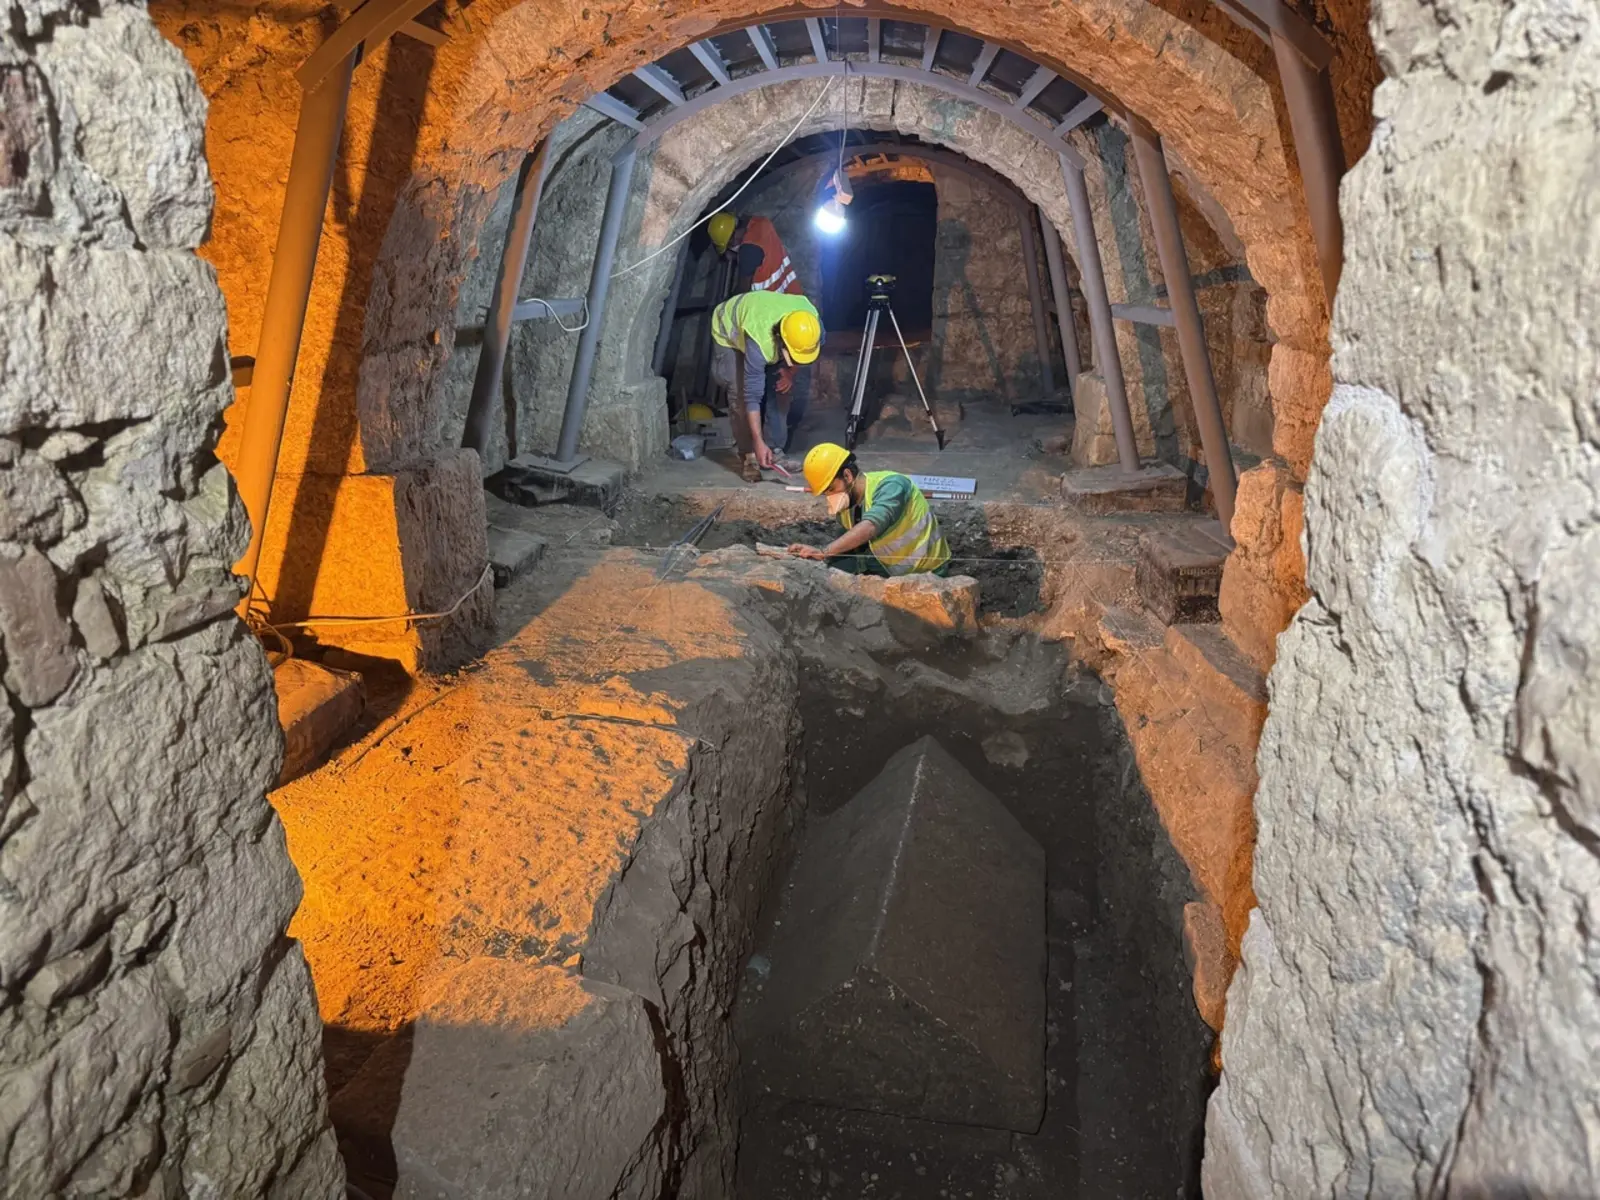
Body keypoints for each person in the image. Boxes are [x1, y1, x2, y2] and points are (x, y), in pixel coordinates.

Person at [709, 211, 813, 454]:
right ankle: (752, 451)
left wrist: (790, 371)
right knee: (743, 387)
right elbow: (751, 392)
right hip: (762, 321)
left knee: (777, 384)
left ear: (733, 240)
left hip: (776, 319)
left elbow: (743, 289)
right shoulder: (762, 223)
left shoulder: (747, 252)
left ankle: (770, 447)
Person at [787, 442, 951, 576]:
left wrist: (824, 552)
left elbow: (871, 525)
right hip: (889, 566)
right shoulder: (846, 504)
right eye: (824, 493)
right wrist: (817, 556)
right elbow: (848, 540)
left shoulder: (892, 485)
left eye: (830, 489)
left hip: (929, 571)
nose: (829, 497)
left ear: (847, 475)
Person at [710, 290, 823, 482]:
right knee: (738, 391)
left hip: (771, 327)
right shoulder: (759, 341)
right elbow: (751, 396)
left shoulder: (812, 327)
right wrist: (757, 441)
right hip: (728, 329)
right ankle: (749, 456)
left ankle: (774, 449)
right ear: (780, 341)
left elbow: (803, 356)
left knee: (781, 386)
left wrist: (789, 373)